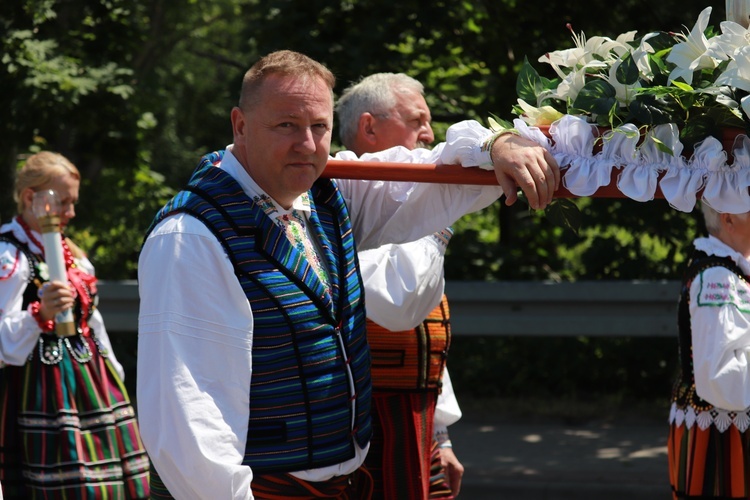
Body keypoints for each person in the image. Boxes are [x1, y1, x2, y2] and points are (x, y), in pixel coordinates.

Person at [137, 49, 559, 499]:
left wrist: (496, 145)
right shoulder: (190, 237)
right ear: (240, 125)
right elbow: (189, 418)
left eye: (318, 127)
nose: (307, 143)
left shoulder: (320, 198)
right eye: (286, 126)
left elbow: (425, 180)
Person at [336, 72, 464, 499]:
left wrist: (440, 438)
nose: (429, 134)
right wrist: (438, 223)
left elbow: (427, 337)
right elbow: (400, 299)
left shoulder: (414, 197)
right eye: (416, 120)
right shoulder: (333, 198)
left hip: (417, 426)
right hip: (361, 424)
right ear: (369, 127)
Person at [0, 151, 150, 498]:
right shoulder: (10, 255)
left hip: (93, 383)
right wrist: (39, 315)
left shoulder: (74, 255)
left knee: (116, 484)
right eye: (63, 202)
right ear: (29, 198)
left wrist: (114, 375)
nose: (71, 212)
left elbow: (93, 323)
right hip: (39, 390)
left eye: (73, 202)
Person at [668, 202, 750, 499]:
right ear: (728, 219)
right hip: (723, 437)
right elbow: (725, 382)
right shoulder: (718, 279)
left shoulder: (731, 269)